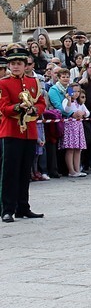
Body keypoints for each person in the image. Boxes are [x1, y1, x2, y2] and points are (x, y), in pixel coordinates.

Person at [0, 46, 46, 222]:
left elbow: (41, 102)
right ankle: (7, 209)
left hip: (29, 132)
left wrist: (35, 109)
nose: (16, 66)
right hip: (11, 132)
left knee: (25, 171)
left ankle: (23, 207)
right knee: (10, 172)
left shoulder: (33, 82)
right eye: (13, 64)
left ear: (26, 64)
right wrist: (18, 107)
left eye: (19, 63)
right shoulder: (3, 83)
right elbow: (3, 107)